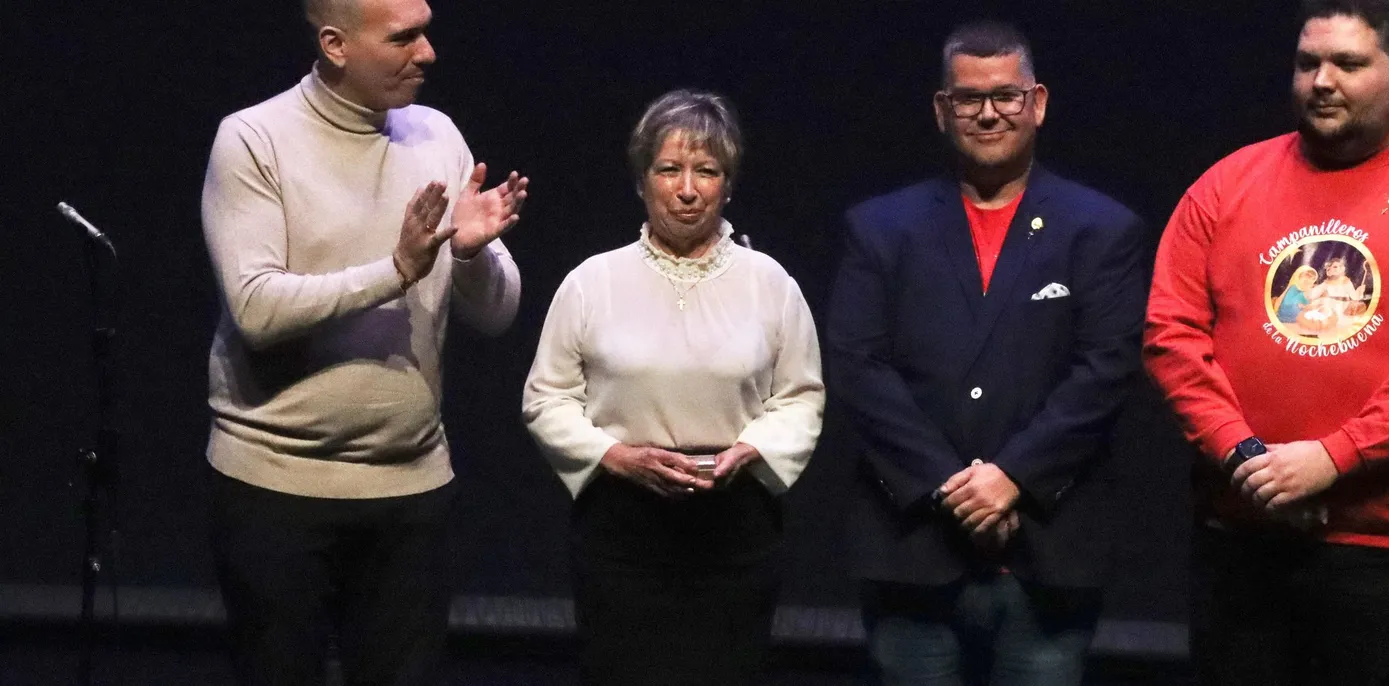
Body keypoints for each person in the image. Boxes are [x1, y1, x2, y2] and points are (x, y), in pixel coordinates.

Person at [1142, 1, 1389, 683]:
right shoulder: (1225, 186)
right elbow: (1171, 335)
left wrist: (1333, 457)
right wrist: (1248, 458)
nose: (1322, 81)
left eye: (1348, 63)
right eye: (1308, 63)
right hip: (1241, 543)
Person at [199, 0, 527, 682]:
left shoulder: (436, 135)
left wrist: (469, 255)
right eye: (404, 37)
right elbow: (256, 308)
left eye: (426, 31)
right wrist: (396, 270)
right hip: (276, 488)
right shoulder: (255, 139)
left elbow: (497, 315)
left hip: (411, 489)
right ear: (335, 45)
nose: (427, 53)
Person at [827, 20, 1146, 685]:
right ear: (942, 109)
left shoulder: (1102, 229)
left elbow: (1105, 372)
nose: (989, 113)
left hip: (1048, 552)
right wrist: (953, 489)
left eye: (1006, 95)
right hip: (912, 549)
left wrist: (1012, 478)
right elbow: (859, 368)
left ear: (1038, 103)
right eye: (969, 98)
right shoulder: (880, 228)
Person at [522, 89, 824, 686]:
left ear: (727, 185)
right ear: (642, 181)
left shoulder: (770, 283)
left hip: (734, 526)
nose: (687, 189)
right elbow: (546, 398)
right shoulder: (592, 282)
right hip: (622, 527)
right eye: (669, 169)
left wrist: (753, 450)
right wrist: (613, 455)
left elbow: (800, 396)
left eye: (706, 171)